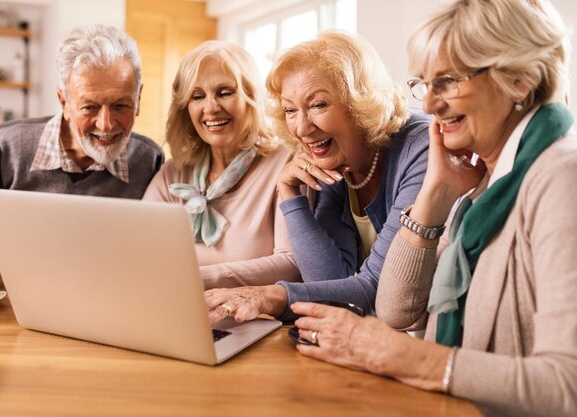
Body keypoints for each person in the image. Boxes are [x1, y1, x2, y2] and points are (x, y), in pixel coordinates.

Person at [285, 1, 577, 417]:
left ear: (520, 78)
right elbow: (395, 309)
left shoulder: (561, 177)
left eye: (449, 81)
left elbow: (567, 385)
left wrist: (403, 357)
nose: (431, 105)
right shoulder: (485, 184)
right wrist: (435, 193)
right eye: (424, 84)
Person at [205, 31, 429, 321]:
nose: (301, 127)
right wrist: (289, 195)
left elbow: (377, 288)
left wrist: (268, 296)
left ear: (360, 101)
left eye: (318, 105)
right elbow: (329, 283)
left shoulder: (420, 146)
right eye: (289, 110)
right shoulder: (333, 159)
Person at [0, 24, 164, 278]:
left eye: (121, 105)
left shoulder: (149, 160)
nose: (106, 124)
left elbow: (156, 251)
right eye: (89, 107)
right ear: (65, 102)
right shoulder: (5, 146)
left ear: (138, 100)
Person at [142, 40, 300, 288]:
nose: (211, 108)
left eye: (224, 92)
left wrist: (196, 279)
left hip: (258, 321)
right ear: (185, 108)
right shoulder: (172, 174)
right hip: (178, 312)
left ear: (251, 97)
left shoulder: (286, 163)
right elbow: (140, 255)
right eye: (197, 96)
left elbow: (292, 265)